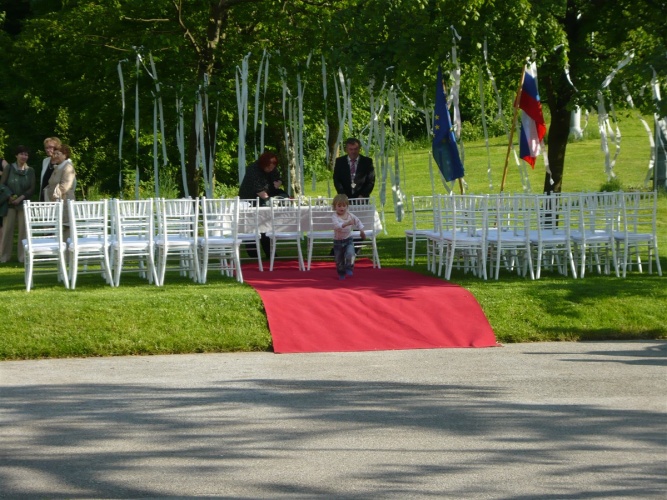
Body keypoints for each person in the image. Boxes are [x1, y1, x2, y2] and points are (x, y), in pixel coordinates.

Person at [239, 151, 288, 259]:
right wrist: (270, 201)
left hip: (266, 195)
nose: (271, 170)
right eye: (269, 168)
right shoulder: (253, 169)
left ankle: (269, 252)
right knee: (255, 224)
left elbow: (278, 178)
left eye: (273, 168)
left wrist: (278, 182)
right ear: (263, 164)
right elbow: (259, 191)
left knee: (266, 223)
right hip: (251, 199)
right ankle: (253, 250)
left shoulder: (272, 168)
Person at [1, 146, 36, 263]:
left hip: (24, 204)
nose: (24, 156)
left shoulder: (30, 170)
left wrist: (21, 198)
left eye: (26, 154)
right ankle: (4, 257)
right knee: (7, 230)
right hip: (9, 203)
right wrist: (10, 196)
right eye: (21, 154)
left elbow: (31, 189)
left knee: (23, 231)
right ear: (16, 155)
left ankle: (23, 257)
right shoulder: (9, 168)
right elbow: (2, 184)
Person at [45, 144, 76, 242]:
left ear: (65, 155)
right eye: (54, 154)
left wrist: (53, 198)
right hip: (57, 202)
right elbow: (51, 184)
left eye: (58, 153)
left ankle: (68, 253)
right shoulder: (58, 167)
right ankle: (61, 253)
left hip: (65, 201)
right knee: (59, 228)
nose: (55, 156)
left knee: (66, 228)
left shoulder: (68, 167)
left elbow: (64, 186)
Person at [331, 193, 365, 280]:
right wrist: (346, 223)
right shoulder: (334, 216)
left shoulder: (350, 215)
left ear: (347, 206)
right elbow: (337, 226)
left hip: (348, 239)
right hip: (338, 241)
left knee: (351, 254)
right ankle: (341, 273)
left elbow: (358, 222)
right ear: (335, 207)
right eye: (339, 206)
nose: (342, 208)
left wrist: (361, 231)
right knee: (339, 260)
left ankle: (349, 267)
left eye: (344, 206)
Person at [39, 137, 61, 201]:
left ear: (57, 148)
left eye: (50, 147)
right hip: (44, 197)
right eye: (46, 148)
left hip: (57, 198)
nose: (48, 150)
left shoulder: (64, 161)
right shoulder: (45, 161)